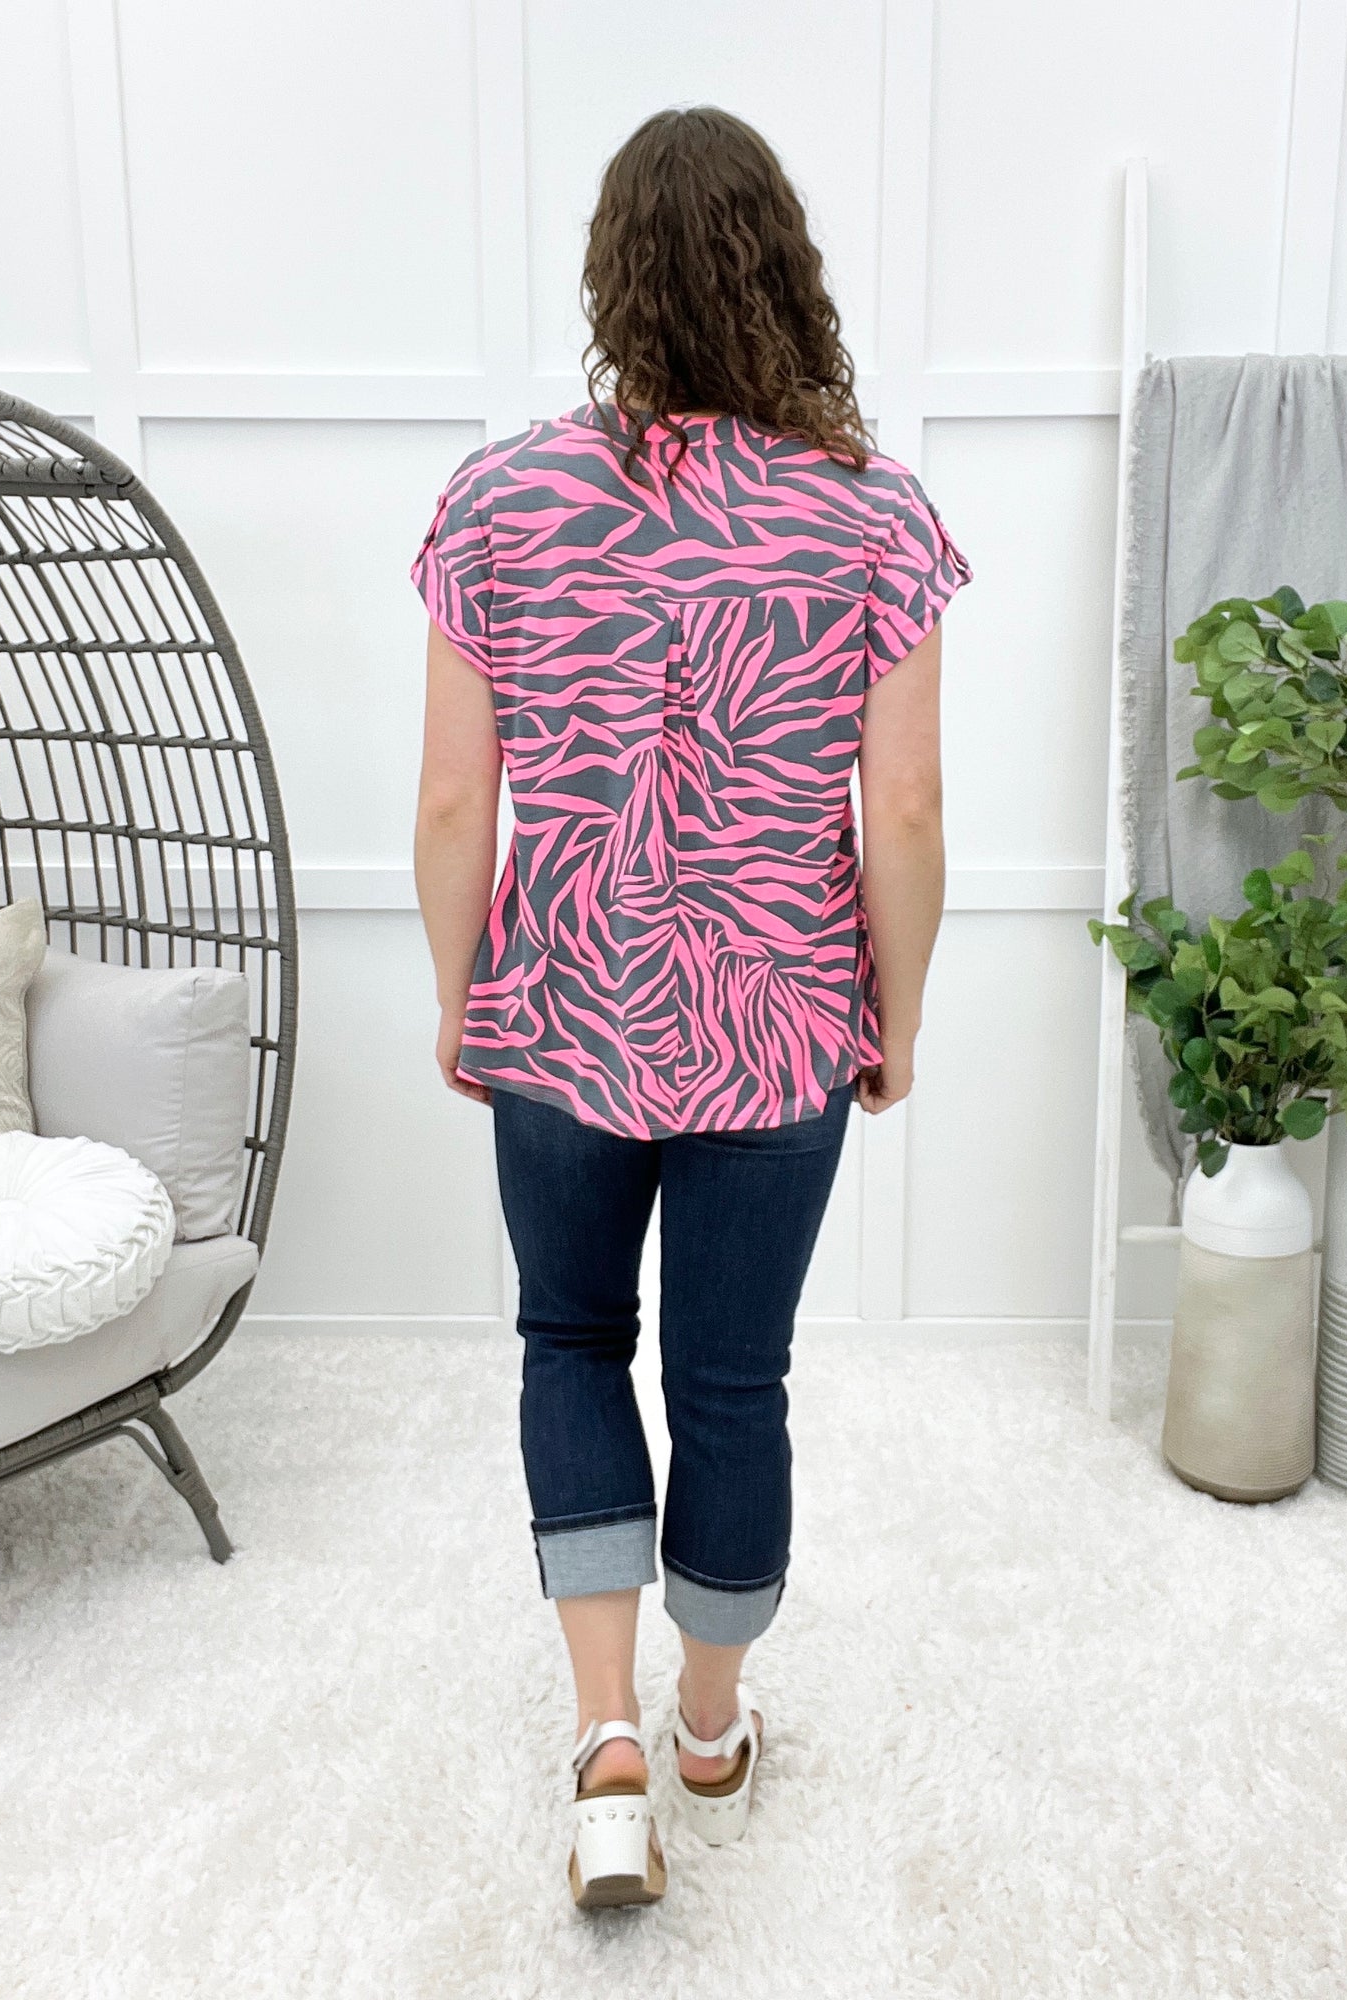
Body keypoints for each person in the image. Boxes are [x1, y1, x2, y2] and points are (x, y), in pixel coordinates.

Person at [410, 104, 970, 1910]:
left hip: (561, 1012)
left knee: (571, 1342)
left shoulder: (500, 503)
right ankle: (711, 1726)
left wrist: (461, 997)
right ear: (786, 270)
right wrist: (896, 1013)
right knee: (735, 1379)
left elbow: (452, 802)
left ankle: (607, 1751)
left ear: (611, 284)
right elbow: (905, 811)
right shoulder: (873, 514)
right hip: (779, 1023)